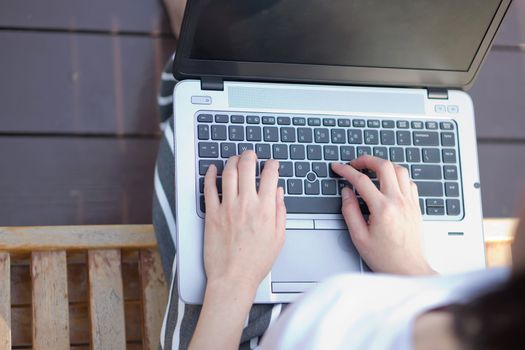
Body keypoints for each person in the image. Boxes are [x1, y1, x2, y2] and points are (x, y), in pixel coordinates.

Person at [153, 57, 524, 350]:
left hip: (243, 325)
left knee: (193, 120)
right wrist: (412, 268)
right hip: (391, 282)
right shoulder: (487, 298)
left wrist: (231, 280)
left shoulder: (326, 322)